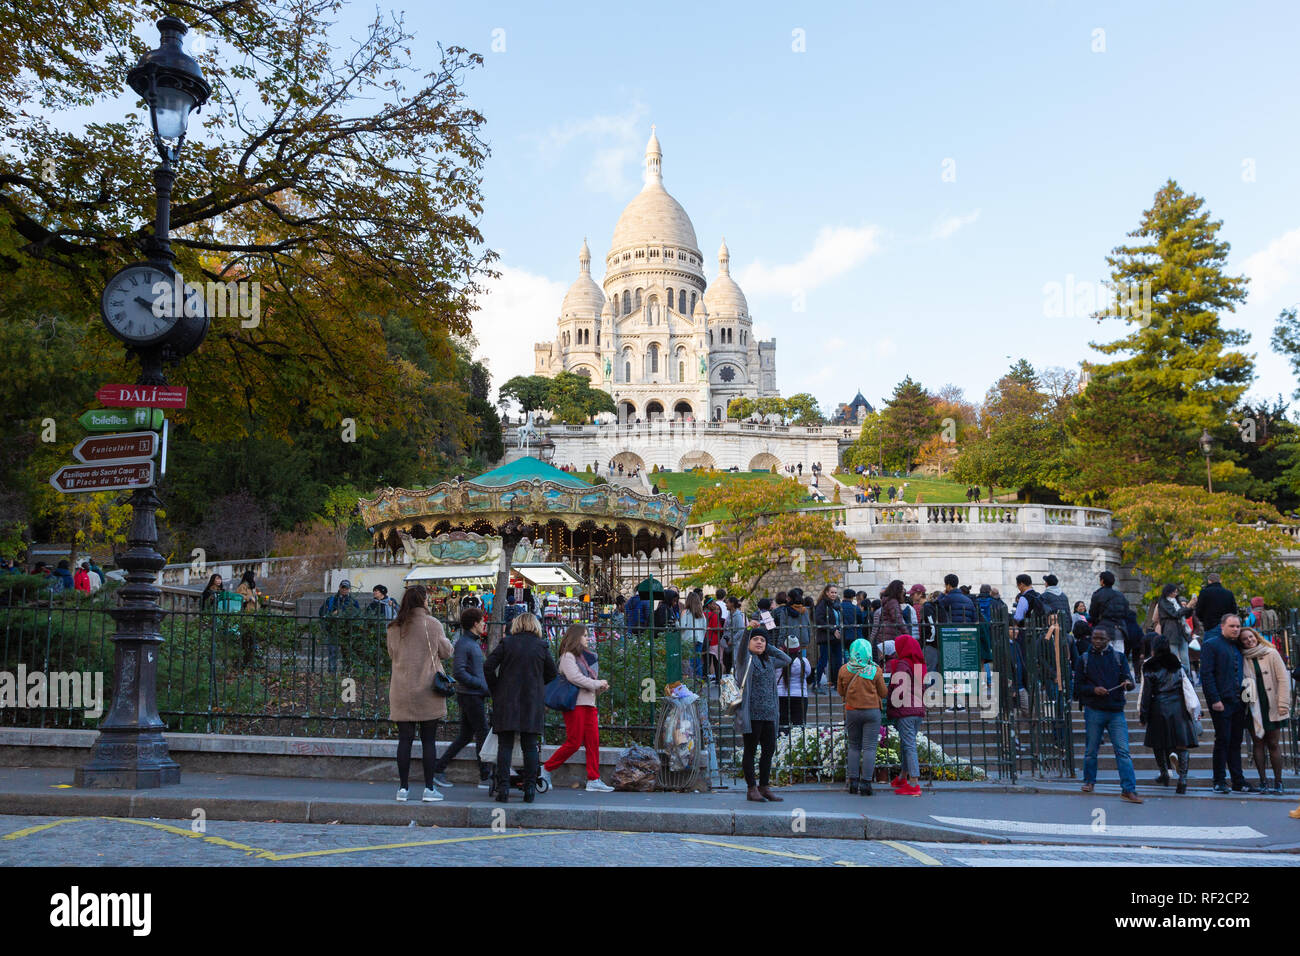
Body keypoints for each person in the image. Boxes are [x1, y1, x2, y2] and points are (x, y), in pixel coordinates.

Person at [386, 585, 453, 802]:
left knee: (404, 740)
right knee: (428, 741)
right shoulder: (432, 624)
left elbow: (391, 654)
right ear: (423, 601)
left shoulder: (394, 627)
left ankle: (403, 789)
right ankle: (429, 788)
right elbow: (446, 652)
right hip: (427, 691)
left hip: (401, 689)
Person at [484, 612, 556, 803]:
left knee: (505, 746)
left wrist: (496, 688)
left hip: (507, 699)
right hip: (531, 700)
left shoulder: (507, 643)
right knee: (530, 746)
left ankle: (503, 788)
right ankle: (530, 788)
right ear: (535, 626)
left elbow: (488, 666)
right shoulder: (541, 646)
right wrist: (538, 684)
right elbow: (552, 672)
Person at [541, 623, 614, 792]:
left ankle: (594, 778)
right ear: (576, 637)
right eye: (585, 635)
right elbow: (575, 678)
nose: (588, 638)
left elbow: (585, 681)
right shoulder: (568, 656)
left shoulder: (586, 658)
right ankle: (546, 769)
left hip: (589, 703)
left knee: (593, 742)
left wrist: (599, 688)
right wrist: (597, 683)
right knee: (573, 742)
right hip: (575, 704)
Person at [1074, 623, 1143, 803]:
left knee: (1123, 751)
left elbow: (1129, 680)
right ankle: (1089, 780)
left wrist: (1128, 683)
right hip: (1094, 709)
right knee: (1091, 750)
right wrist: (1093, 690)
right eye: (1094, 638)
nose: (1097, 641)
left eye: (1101, 639)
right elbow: (1078, 687)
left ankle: (1128, 789)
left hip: (1115, 711)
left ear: (1109, 640)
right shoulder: (1084, 659)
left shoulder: (1119, 658)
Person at [429, 605, 493, 789]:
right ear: (475, 623)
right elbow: (459, 672)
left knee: (465, 736)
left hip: (471, 694)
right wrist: (481, 685)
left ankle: (438, 769)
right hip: (471, 695)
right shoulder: (465, 644)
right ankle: (484, 775)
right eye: (482, 621)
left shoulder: (469, 643)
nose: (484, 624)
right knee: (482, 733)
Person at [732, 627, 792, 802]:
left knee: (768, 750)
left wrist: (768, 646)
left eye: (762, 640)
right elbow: (742, 647)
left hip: (769, 714)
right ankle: (751, 789)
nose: (759, 642)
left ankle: (764, 787)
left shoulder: (769, 661)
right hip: (752, 714)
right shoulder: (745, 660)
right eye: (756, 639)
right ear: (749, 642)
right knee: (750, 751)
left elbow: (786, 658)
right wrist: (748, 632)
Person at [1138, 636, 1200, 794]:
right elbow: (1186, 686)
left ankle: (1164, 773)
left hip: (1158, 706)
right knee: (1182, 744)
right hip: (1178, 706)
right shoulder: (1177, 663)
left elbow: (1147, 693)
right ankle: (1183, 779)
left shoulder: (1149, 666)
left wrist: (1143, 714)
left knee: (1158, 743)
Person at [1239, 626, 1290, 794]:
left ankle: (1278, 782)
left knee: (1274, 744)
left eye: (1251, 637)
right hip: (1253, 706)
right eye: (1245, 639)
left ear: (1256, 637)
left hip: (1273, 704)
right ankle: (1263, 781)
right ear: (1242, 643)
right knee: (1258, 743)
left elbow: (1283, 679)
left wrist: (1283, 703)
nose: (1249, 640)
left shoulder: (1271, 652)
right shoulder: (1242, 658)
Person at [1200, 613, 1247, 793]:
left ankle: (1238, 780)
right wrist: (1214, 699)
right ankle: (1219, 780)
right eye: (1232, 626)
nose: (1235, 629)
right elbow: (1207, 675)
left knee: (1236, 741)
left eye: (1237, 626)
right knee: (1223, 740)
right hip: (1222, 701)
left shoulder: (1239, 646)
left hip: (1239, 701)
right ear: (1222, 627)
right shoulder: (1211, 645)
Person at [838, 638, 887, 795]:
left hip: (852, 710)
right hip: (872, 711)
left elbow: (840, 692)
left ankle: (853, 782)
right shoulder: (875, 670)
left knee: (853, 746)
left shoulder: (844, 670)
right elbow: (883, 693)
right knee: (869, 748)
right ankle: (866, 783)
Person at [886, 633, 927, 796]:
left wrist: (890, 702)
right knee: (906, 744)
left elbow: (899, 688)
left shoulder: (904, 663)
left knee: (909, 745)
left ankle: (914, 783)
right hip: (918, 709)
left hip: (906, 710)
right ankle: (902, 777)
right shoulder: (920, 664)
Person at [318, 579, 360, 674]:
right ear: (339, 587)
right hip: (333, 630)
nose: (344, 590)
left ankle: (346, 672)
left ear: (349, 589)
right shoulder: (331, 600)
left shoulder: (353, 601)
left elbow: (358, 615)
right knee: (332, 652)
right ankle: (332, 673)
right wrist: (331, 615)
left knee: (346, 653)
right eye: (343, 587)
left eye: (346, 588)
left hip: (347, 631)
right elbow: (322, 613)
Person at [1088, 570, 1131, 654]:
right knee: (1119, 656)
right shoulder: (1120, 595)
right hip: (1120, 629)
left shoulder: (1098, 594)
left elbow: (1093, 614)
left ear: (1102, 581)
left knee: (1106, 656)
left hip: (1104, 630)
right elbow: (1126, 613)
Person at [812, 584, 843, 693]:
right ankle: (816, 684)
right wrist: (832, 630)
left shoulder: (836, 604)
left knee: (839, 661)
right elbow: (819, 620)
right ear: (826, 592)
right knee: (823, 661)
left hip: (837, 637)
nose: (834, 594)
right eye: (832, 592)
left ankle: (838, 683)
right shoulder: (822, 604)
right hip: (826, 637)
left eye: (835, 592)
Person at [1155, 584, 1191, 675]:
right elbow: (1175, 614)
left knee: (1185, 657)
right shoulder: (1163, 602)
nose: (1175, 593)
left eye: (1176, 591)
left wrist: (1190, 607)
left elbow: (1184, 614)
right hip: (1171, 631)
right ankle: (1174, 677)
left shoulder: (1177, 601)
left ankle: (1187, 677)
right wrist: (1187, 607)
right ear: (1168, 592)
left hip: (1181, 631)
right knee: (1173, 656)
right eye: (1174, 591)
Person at [776, 635, 810, 730]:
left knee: (782, 725)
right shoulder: (804, 662)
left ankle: (782, 742)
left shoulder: (778, 662)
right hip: (800, 695)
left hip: (781, 695)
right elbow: (808, 673)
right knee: (799, 725)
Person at [678, 591, 708, 680]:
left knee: (689, 663)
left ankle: (690, 683)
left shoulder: (685, 612)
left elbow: (682, 627)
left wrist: (676, 623)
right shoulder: (701, 614)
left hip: (688, 640)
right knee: (698, 663)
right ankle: (698, 683)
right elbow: (704, 627)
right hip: (699, 640)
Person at [703, 597, 725, 683]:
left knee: (706, 662)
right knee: (717, 661)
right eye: (713, 604)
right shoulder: (714, 615)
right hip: (714, 641)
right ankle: (718, 679)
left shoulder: (702, 614)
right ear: (708, 605)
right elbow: (718, 629)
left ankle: (704, 678)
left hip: (705, 640)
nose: (715, 605)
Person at [722, 596, 745, 673]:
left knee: (733, 664)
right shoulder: (730, 614)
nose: (726, 604)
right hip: (728, 644)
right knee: (726, 663)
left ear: (732, 604)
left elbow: (741, 630)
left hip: (734, 645)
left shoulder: (738, 616)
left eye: (727, 603)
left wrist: (732, 640)